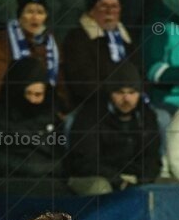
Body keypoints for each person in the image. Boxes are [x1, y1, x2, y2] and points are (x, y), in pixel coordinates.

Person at [65, 60, 162, 193]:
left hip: (135, 178)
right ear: (110, 93)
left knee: (171, 186)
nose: (126, 99)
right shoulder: (90, 115)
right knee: (101, 188)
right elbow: (85, 162)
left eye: (132, 92)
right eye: (120, 92)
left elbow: (152, 157)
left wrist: (143, 180)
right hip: (99, 177)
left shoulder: (146, 116)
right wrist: (119, 181)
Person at [0, 57, 63, 196]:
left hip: (48, 180)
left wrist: (54, 167)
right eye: (28, 93)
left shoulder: (50, 115)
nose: (33, 100)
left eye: (38, 94)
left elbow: (62, 152)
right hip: (5, 183)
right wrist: (28, 167)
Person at [0, 0, 63, 106]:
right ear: (20, 16)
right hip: (9, 108)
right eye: (29, 12)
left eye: (40, 12)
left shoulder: (50, 44)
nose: (34, 17)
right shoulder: (2, 42)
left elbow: (60, 84)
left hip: (44, 107)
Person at [61, 0, 138, 108]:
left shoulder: (126, 40)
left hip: (130, 103)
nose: (109, 11)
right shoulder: (77, 37)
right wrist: (115, 97)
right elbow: (83, 82)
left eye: (114, 6)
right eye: (103, 6)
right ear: (91, 12)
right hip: (92, 106)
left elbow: (140, 72)